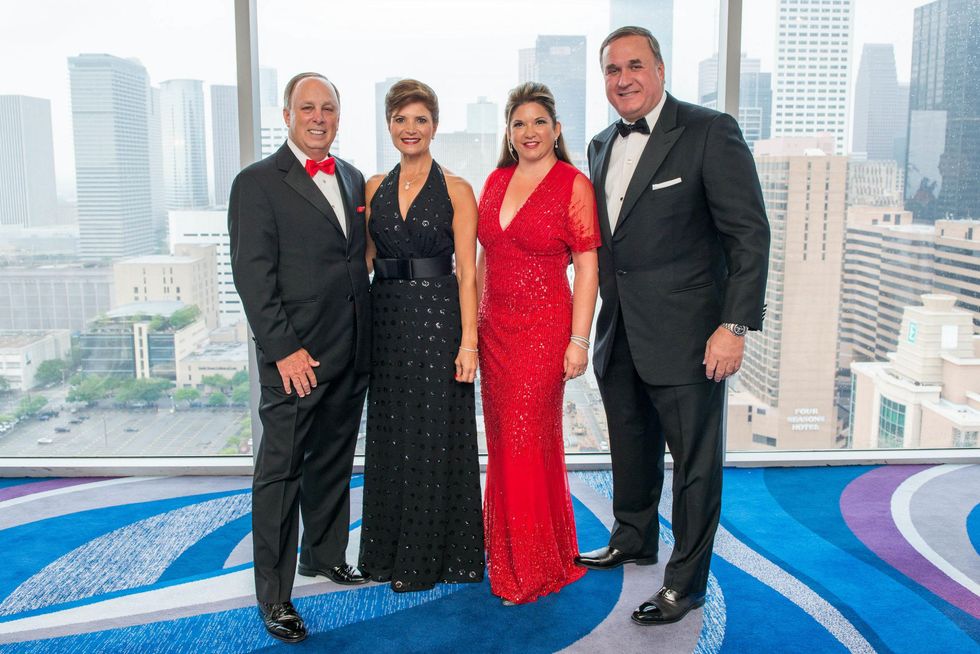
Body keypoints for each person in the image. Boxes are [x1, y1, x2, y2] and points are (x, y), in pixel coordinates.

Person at [576, 26, 770, 626]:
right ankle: (633, 535)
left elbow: (749, 235)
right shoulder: (600, 144)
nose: (624, 79)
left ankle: (684, 584)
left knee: (694, 466)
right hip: (622, 332)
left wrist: (733, 325)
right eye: (612, 70)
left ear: (660, 70)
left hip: (692, 336)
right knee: (630, 449)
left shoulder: (710, 131)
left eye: (635, 65)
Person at [229, 72, 370, 644]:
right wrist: (284, 351)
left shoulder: (354, 177)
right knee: (281, 474)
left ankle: (324, 554)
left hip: (350, 347)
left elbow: (352, 262)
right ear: (286, 114)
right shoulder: (257, 183)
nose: (319, 117)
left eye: (328, 108)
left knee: (334, 460)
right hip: (296, 357)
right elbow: (252, 278)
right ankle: (274, 595)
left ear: (339, 116)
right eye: (307, 107)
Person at [358, 79, 485, 592]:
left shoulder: (457, 188)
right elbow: (365, 259)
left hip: (437, 319)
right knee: (392, 436)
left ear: (435, 125)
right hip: (385, 319)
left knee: (434, 434)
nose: (410, 129)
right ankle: (385, 552)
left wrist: (469, 341)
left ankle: (428, 558)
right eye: (400, 120)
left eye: (420, 120)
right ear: (389, 125)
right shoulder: (371, 187)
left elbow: (469, 273)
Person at [477, 82, 601, 605]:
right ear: (508, 132)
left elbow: (589, 267)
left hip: (544, 330)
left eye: (538, 122)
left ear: (557, 130)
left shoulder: (573, 184)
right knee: (506, 443)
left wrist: (579, 340)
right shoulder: (495, 179)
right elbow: (484, 260)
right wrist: (470, 329)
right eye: (519, 123)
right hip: (493, 331)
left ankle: (531, 569)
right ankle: (520, 552)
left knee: (527, 442)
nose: (529, 132)